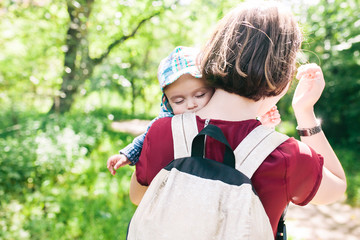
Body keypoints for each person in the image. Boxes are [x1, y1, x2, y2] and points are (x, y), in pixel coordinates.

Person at [129, 1, 347, 238]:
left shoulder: (162, 131)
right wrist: (305, 112)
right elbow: (337, 188)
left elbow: (138, 197)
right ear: (282, 71)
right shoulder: (286, 156)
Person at [107, 46, 281, 175]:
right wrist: (128, 155)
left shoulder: (222, 113)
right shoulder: (168, 122)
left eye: (200, 94)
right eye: (179, 100)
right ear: (167, 102)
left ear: (213, 89)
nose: (190, 105)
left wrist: (263, 123)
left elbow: (241, 132)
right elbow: (145, 138)